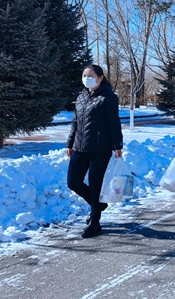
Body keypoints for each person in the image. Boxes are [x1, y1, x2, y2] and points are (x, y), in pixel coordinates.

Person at [66, 64, 123, 238]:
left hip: (100, 148)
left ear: (100, 78)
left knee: (95, 184)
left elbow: (114, 122)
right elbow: (75, 122)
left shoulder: (108, 97)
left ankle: (95, 222)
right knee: (73, 182)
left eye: (90, 76)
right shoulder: (81, 96)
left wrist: (117, 145)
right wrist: (70, 143)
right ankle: (97, 205)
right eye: (84, 75)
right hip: (79, 147)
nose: (86, 79)